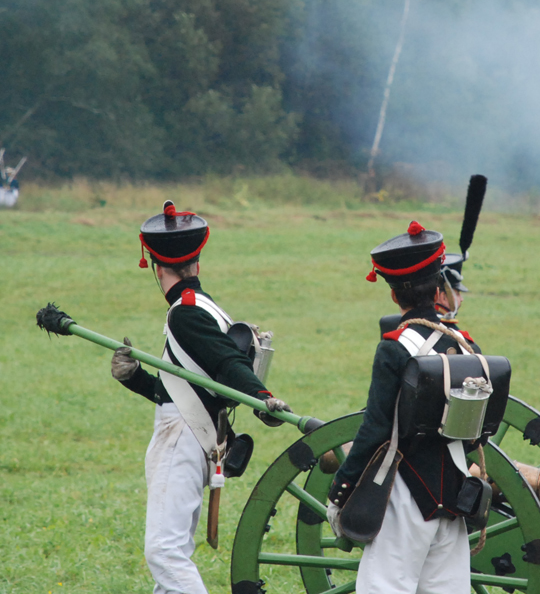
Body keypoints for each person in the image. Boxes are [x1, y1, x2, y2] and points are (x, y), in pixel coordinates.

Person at [111, 200, 291, 594]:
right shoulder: (205, 307)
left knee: (165, 553)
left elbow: (227, 362)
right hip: (197, 433)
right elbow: (189, 385)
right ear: (196, 262)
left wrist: (262, 396)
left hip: (182, 436)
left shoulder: (185, 312)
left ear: (156, 267)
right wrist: (136, 378)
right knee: (172, 556)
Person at [327, 221, 490, 593]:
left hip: (403, 492)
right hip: (455, 491)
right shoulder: (466, 345)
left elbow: (375, 428)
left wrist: (341, 489)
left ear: (393, 294)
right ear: (438, 288)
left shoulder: (395, 347)